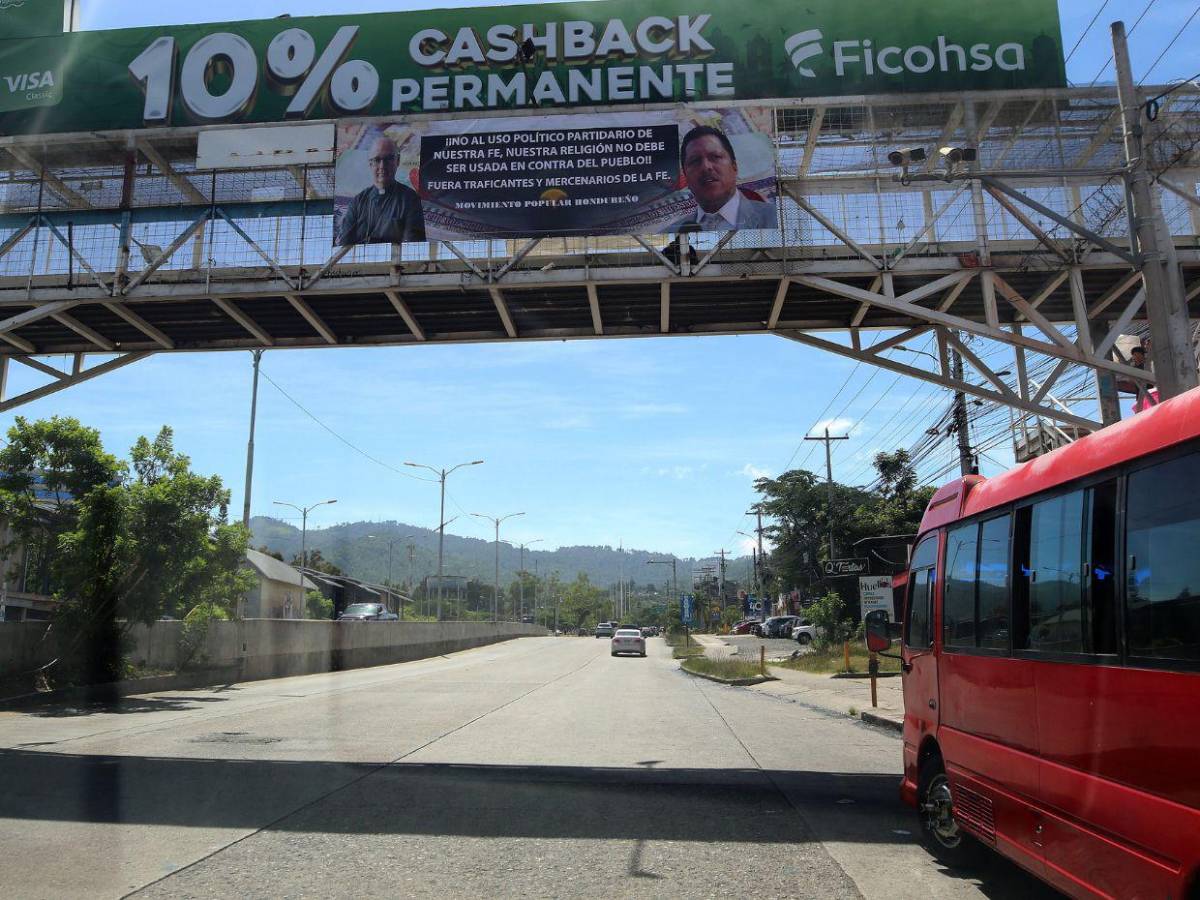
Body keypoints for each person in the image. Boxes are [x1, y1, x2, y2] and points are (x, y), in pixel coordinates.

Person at [662, 125, 778, 233]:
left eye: (715, 157)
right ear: (686, 177)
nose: (706, 167)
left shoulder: (775, 218)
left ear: (734, 167)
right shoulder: (669, 234)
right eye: (695, 161)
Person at [336, 136, 426, 246]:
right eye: (377, 160)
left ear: (397, 161)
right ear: (370, 164)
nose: (382, 166)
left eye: (388, 159)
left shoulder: (410, 199)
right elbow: (344, 245)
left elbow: (413, 246)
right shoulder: (358, 202)